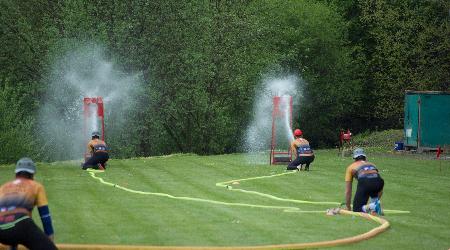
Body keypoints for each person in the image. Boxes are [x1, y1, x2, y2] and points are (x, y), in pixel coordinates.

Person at [0, 157, 57, 250]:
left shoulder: (3, 187)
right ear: (32, 174)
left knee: (13, 237)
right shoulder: (36, 186)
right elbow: (45, 216)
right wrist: (50, 241)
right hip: (21, 224)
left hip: (1, 227)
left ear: (16, 173)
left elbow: (8, 214)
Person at [344, 148, 384, 215]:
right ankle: (375, 207)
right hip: (379, 182)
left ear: (354, 158)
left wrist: (348, 208)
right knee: (373, 189)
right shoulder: (372, 165)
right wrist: (376, 200)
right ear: (365, 157)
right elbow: (378, 184)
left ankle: (373, 207)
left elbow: (348, 191)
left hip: (365, 182)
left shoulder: (351, 167)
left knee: (357, 210)